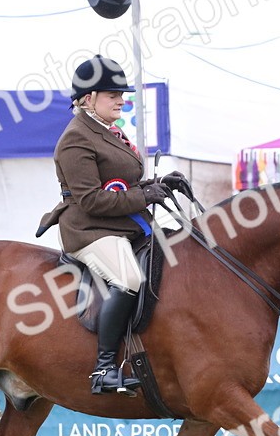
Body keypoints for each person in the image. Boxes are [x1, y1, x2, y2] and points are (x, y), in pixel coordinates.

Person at [37, 54, 181, 395]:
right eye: (112, 94)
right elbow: (91, 201)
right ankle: (103, 369)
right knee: (129, 278)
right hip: (90, 229)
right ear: (88, 100)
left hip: (123, 225)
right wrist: (145, 197)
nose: (121, 99)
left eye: (122, 94)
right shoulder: (75, 139)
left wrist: (156, 184)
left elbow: (118, 182)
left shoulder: (108, 131)